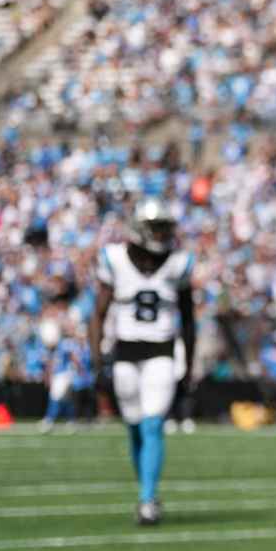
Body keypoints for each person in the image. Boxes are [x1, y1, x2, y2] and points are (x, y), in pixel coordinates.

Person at [91, 198, 197, 526]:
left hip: (161, 353)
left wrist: (189, 366)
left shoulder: (178, 263)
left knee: (153, 425)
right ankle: (147, 490)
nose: (161, 234)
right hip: (125, 354)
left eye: (164, 227)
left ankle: (147, 500)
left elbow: (189, 319)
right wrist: (97, 363)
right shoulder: (114, 259)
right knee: (135, 428)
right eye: (156, 228)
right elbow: (97, 315)